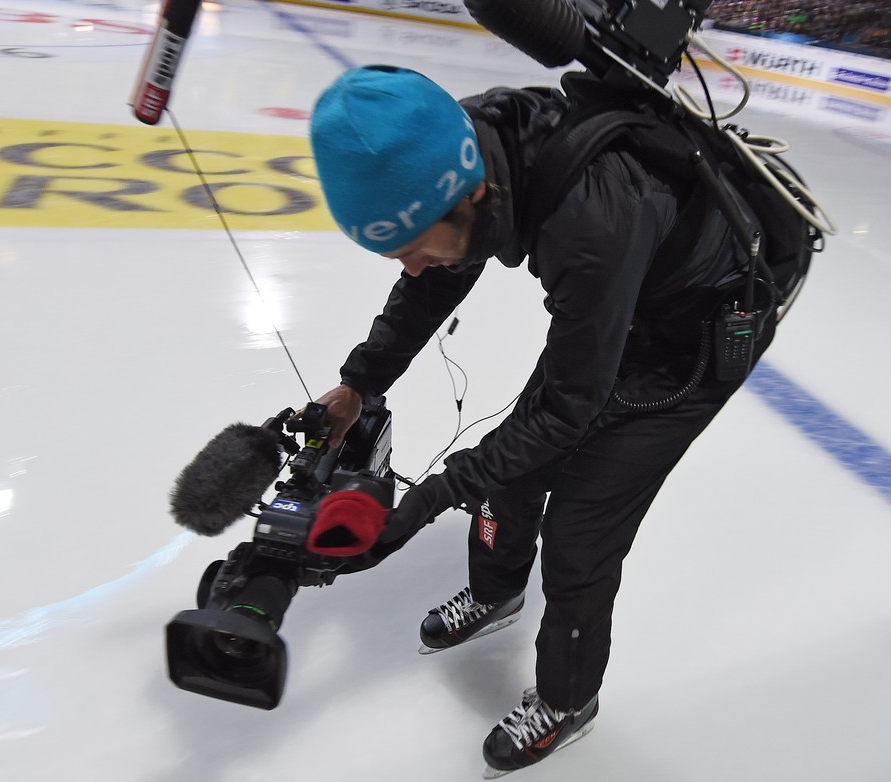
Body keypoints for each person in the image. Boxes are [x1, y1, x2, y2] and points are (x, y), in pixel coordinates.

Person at [307, 65, 800, 775]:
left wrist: (428, 500)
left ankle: (569, 702)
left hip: (693, 339)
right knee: (510, 472)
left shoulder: (591, 223)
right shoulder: (463, 148)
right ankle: (497, 587)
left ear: (471, 194)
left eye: (412, 247)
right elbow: (437, 275)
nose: (410, 269)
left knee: (580, 531)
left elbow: (569, 410)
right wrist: (358, 384)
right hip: (624, 297)